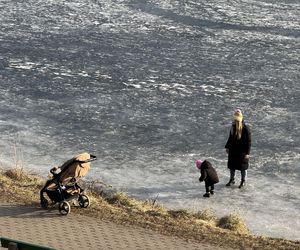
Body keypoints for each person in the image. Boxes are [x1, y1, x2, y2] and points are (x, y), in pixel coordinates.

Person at [225, 109, 251, 188]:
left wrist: (247, 153)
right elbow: (230, 138)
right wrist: (227, 147)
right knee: (232, 166)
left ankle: (243, 180)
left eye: (237, 120)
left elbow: (248, 142)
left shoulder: (246, 129)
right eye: (235, 120)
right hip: (233, 150)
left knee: (243, 167)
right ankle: (232, 179)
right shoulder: (233, 127)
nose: (235, 122)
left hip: (242, 151)